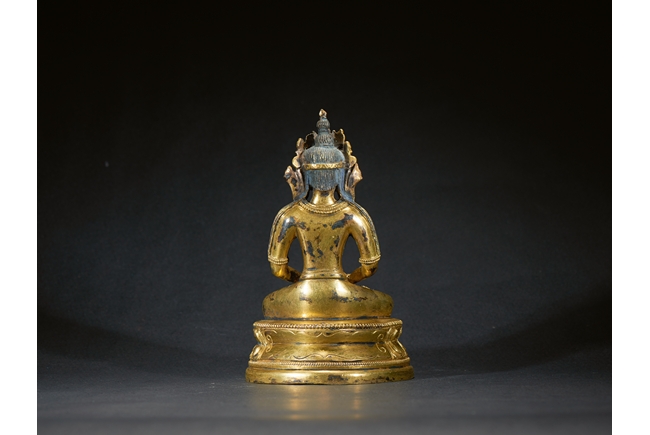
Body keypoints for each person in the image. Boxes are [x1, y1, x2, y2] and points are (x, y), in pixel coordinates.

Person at [263, 111, 393, 320]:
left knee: (269, 302)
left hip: (302, 297)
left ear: (305, 173)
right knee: (385, 302)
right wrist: (348, 280)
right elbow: (369, 268)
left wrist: (303, 281)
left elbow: (278, 270)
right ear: (341, 173)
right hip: (343, 295)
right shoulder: (352, 214)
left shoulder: (290, 215)